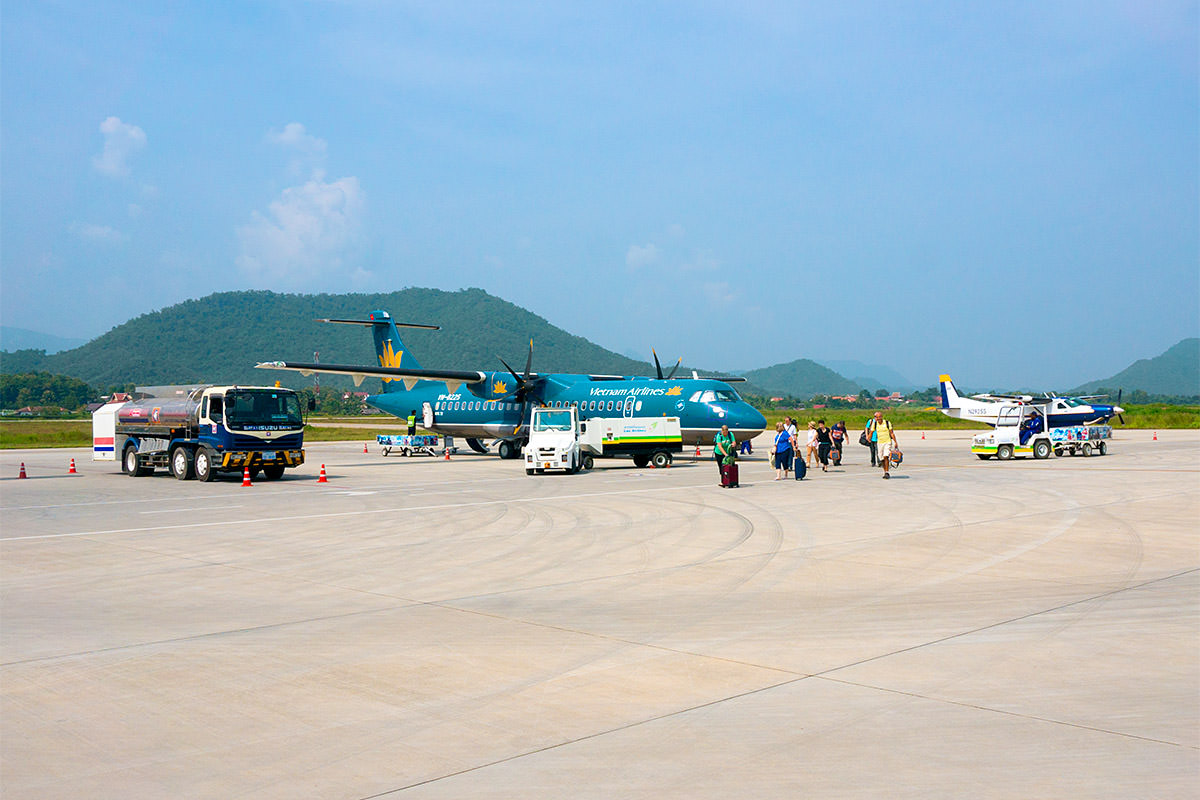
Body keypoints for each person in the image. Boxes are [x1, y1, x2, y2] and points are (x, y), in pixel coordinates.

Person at [866, 410, 899, 479]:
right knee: (881, 458)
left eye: (879, 417)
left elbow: (891, 433)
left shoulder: (887, 423)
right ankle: (885, 471)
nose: (878, 418)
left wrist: (895, 442)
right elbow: (871, 432)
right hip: (879, 443)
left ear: (881, 417)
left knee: (885, 456)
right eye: (876, 417)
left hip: (887, 442)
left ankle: (887, 472)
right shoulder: (874, 424)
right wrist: (868, 438)